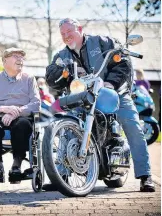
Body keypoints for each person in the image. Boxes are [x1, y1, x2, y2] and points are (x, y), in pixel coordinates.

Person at [45, 18, 155, 192]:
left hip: (114, 93)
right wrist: (65, 73)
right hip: (82, 98)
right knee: (67, 125)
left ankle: (145, 175)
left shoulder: (104, 43)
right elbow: (51, 78)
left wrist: (110, 83)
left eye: (69, 31)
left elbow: (123, 63)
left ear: (79, 29)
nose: (66, 36)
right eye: (63, 34)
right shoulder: (61, 56)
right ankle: (61, 175)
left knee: (132, 124)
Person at [0, 48, 40, 179]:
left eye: (21, 57)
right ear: (4, 60)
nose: (20, 59)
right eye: (15, 56)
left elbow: (36, 103)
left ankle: (16, 165)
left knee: (22, 124)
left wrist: (16, 112)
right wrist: (3, 108)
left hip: (21, 117)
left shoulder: (29, 79)